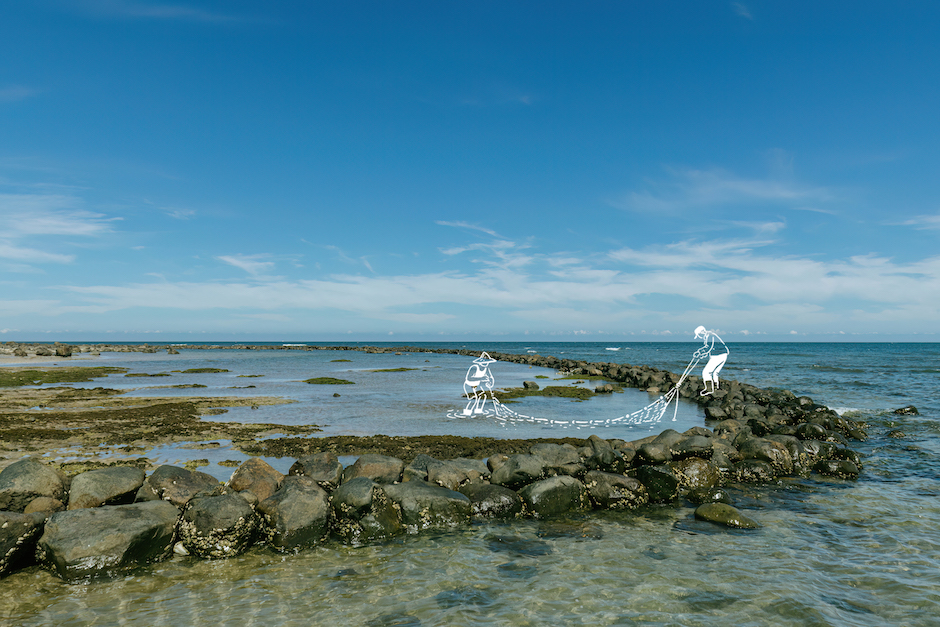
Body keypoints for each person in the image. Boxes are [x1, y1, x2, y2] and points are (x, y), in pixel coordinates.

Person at [693, 326, 728, 396]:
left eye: (699, 335)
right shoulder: (711, 335)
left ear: (702, 332)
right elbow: (710, 347)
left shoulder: (709, 336)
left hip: (717, 356)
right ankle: (716, 387)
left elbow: (708, 347)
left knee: (706, 372)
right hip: (724, 355)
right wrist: (702, 353)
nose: (700, 337)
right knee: (715, 372)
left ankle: (709, 389)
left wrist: (699, 353)